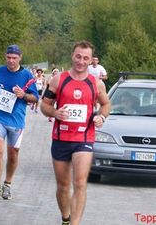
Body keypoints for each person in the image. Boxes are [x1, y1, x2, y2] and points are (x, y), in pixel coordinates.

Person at [41, 41, 111, 225]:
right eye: (78, 56)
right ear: (72, 56)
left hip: (84, 138)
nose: (81, 61)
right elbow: (44, 105)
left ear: (91, 61)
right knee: (63, 187)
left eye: (85, 58)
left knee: (80, 183)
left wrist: (101, 117)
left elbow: (106, 104)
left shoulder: (96, 84)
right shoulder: (58, 80)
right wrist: (55, 113)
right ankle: (66, 217)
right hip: (61, 138)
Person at [0, 44, 39, 201]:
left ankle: (7, 184)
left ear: (20, 58)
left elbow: (35, 98)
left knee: (13, 154)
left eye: (14, 58)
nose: (11, 61)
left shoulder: (27, 76)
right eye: (8, 57)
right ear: (5, 57)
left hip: (16, 119)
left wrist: (23, 95)